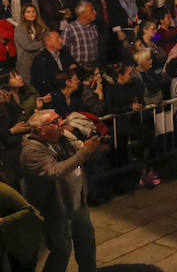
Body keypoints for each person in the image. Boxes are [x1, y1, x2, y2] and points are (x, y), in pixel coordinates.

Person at [20, 109, 101, 272]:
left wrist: (88, 145)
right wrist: (86, 151)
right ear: (42, 129)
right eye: (55, 122)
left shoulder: (61, 138)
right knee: (61, 250)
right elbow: (55, 171)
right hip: (56, 209)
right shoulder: (31, 150)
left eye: (60, 119)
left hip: (76, 202)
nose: (62, 123)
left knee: (87, 244)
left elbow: (79, 148)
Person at [0, 179, 43, 272]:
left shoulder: (3, 190)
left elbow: (31, 211)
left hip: (24, 237)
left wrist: (3, 220)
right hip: (12, 236)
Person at [30, 32, 78, 96]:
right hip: (52, 93)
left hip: (70, 90)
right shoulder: (40, 59)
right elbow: (43, 81)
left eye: (60, 38)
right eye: (57, 39)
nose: (62, 41)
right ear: (48, 42)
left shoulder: (64, 53)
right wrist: (67, 74)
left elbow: (74, 66)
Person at [14, 4, 47, 84]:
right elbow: (28, 46)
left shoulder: (41, 26)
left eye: (33, 11)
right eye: (28, 12)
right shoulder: (19, 28)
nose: (31, 14)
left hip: (40, 60)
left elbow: (48, 38)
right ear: (23, 14)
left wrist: (43, 43)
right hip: (25, 63)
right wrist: (42, 43)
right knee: (28, 87)